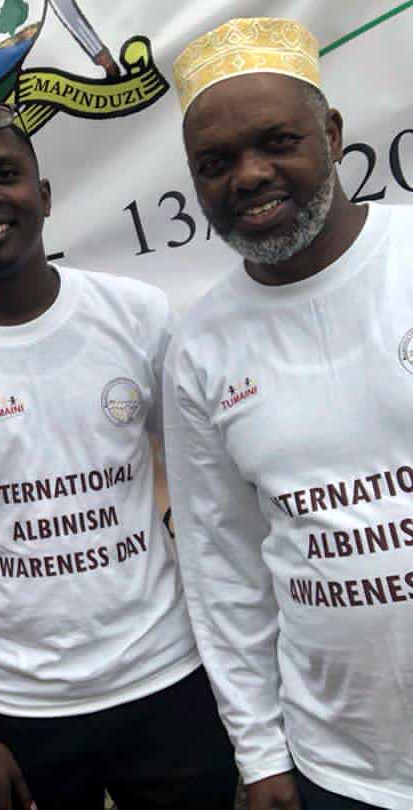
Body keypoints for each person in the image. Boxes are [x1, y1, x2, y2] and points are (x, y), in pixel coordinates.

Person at [0, 104, 237, 809]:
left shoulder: (137, 315)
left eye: (3, 175)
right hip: (18, 712)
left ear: (42, 195)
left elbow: (211, 493)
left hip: (167, 681)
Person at [165, 17, 413, 810]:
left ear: (332, 134)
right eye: (216, 164)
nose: (249, 176)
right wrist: (261, 755)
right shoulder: (200, 347)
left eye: (277, 143)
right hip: (340, 769)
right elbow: (223, 569)